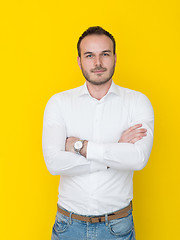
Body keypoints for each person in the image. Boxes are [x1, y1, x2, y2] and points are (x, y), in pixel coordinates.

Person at [42, 26, 154, 240]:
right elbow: (54, 163)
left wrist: (80, 147)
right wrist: (115, 152)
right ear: (79, 61)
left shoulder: (137, 102)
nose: (98, 63)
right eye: (89, 55)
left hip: (117, 227)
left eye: (105, 54)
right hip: (68, 227)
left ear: (115, 57)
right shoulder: (59, 103)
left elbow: (138, 159)